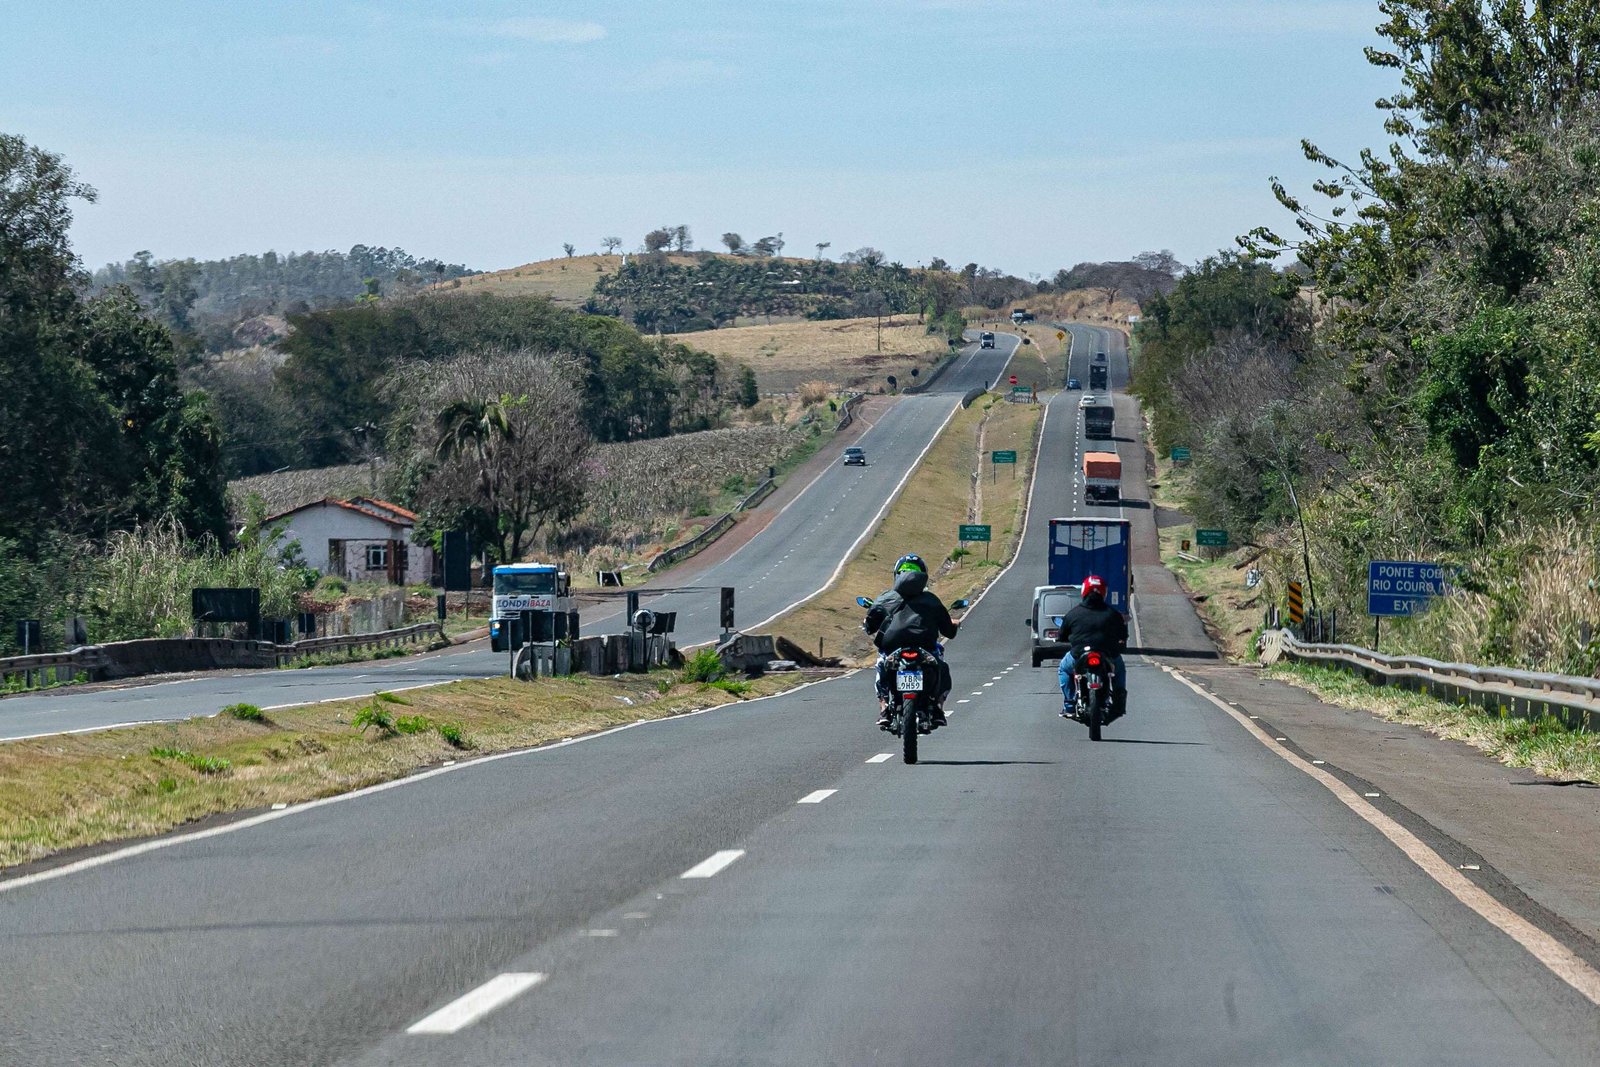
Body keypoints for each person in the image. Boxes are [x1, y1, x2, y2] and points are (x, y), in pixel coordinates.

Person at [863, 554, 959, 728]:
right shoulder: (931, 600)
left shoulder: (885, 598)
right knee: (942, 666)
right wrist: (954, 625)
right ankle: (938, 708)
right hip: (925, 649)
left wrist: (869, 623)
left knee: (881, 664)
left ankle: (884, 707)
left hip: (893, 649)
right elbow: (948, 632)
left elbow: (870, 626)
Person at [1056, 575, 1129, 720]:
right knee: (1119, 669)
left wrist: (1064, 638)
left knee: (1063, 669)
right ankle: (1119, 701)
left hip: (1079, 654)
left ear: (1084, 591)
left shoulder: (1073, 613)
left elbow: (1062, 635)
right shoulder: (1113, 614)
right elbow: (1123, 635)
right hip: (1108, 654)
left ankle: (1069, 704)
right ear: (1103, 592)